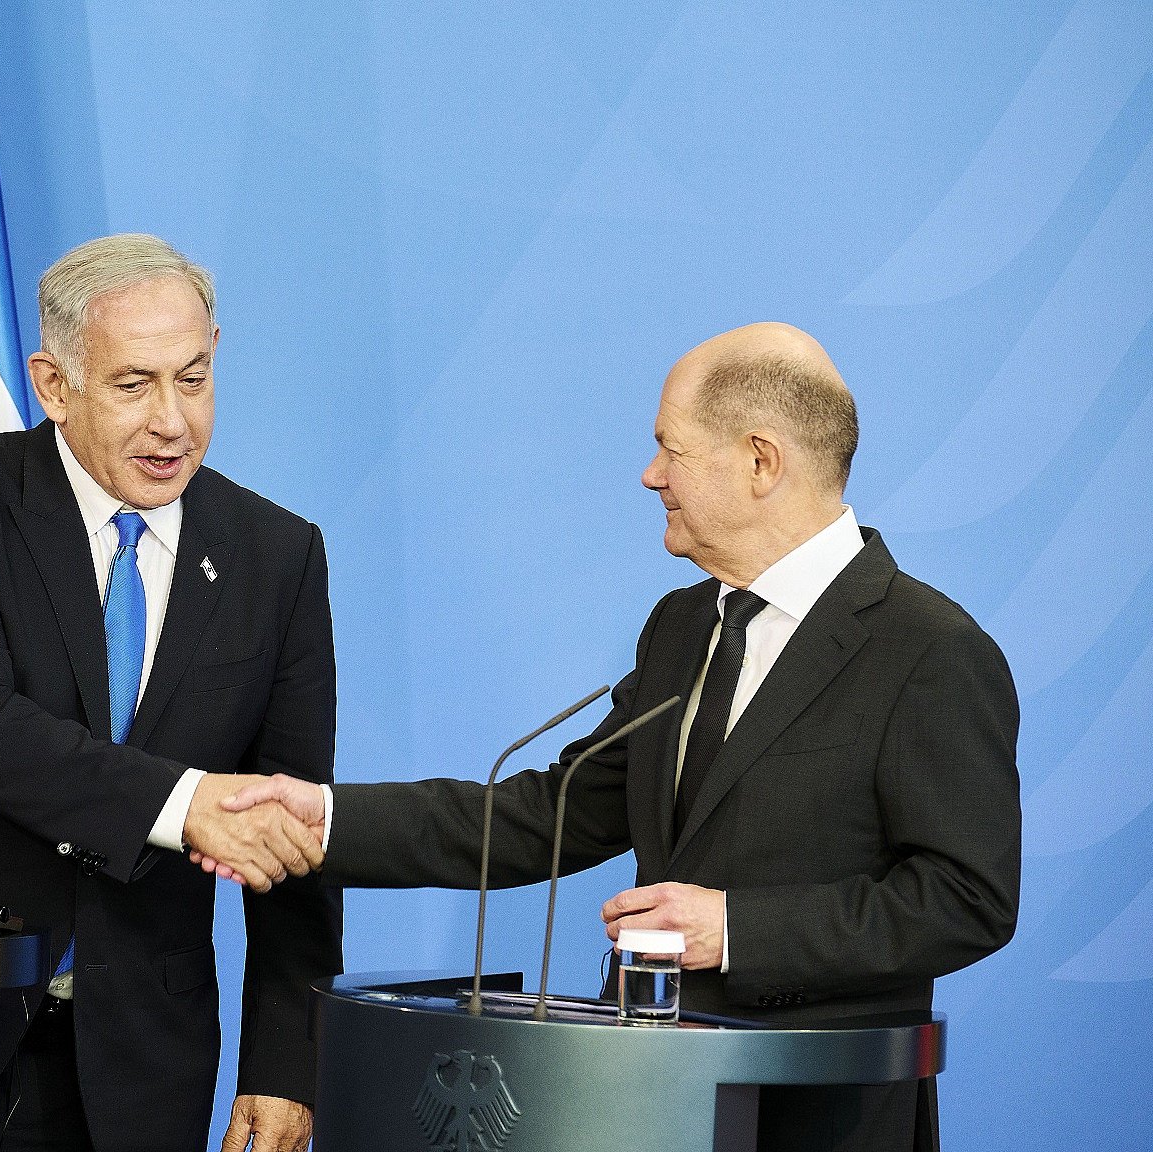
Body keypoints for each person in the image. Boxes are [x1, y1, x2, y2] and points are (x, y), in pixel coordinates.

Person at [212, 323, 1020, 1152]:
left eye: (670, 448)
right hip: (645, 1107)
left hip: (821, 1116)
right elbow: (547, 815)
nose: (651, 475)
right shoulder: (680, 628)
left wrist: (737, 929)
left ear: (760, 461)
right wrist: (322, 819)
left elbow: (967, 899)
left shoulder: (929, 650)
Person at [0, 234, 342, 1152]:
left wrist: (285, 1060)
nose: (172, 423)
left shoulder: (279, 555)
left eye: (192, 379)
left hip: (138, 1066)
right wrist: (184, 805)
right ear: (54, 383)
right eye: (133, 384)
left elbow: (290, 825)